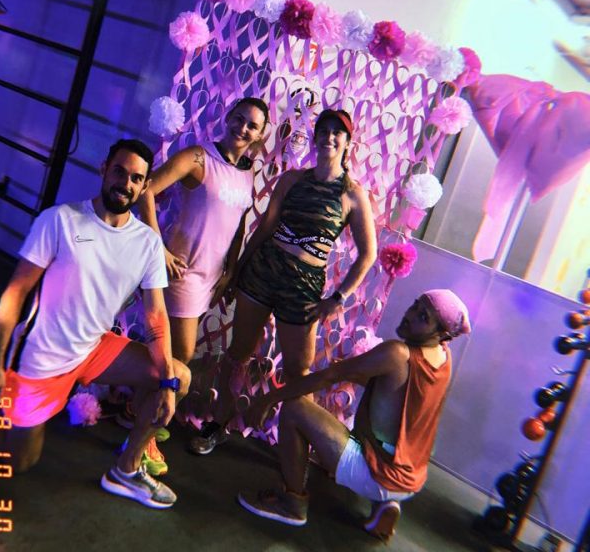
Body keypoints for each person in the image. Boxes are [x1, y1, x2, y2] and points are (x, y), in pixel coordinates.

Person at [0, 139, 190, 509]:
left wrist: (168, 386)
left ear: (145, 186)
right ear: (104, 169)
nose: (125, 183)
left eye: (136, 179)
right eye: (119, 172)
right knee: (17, 462)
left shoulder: (146, 243)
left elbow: (157, 319)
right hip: (42, 357)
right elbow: (15, 293)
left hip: (94, 348)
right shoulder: (60, 220)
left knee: (178, 375)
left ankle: (126, 470)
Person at [190, 108, 378, 454]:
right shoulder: (292, 179)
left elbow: (368, 255)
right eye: (324, 131)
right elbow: (266, 227)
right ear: (315, 137)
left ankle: (295, 448)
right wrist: (237, 270)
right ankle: (218, 424)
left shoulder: (353, 194)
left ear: (348, 143)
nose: (329, 137)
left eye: (337, 133)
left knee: (298, 371)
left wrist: (338, 298)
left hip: (303, 287)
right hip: (262, 272)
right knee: (237, 354)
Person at [237, 289, 471, 543]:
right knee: (355, 434)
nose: (410, 315)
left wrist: (268, 399)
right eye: (415, 305)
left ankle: (292, 504)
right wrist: (354, 371)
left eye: (423, 317)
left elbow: (328, 377)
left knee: (294, 407)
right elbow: (394, 392)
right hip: (410, 477)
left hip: (378, 471)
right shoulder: (443, 357)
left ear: (442, 334)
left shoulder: (398, 353)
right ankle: (385, 504)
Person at [138, 97, 269, 364]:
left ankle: (133, 390)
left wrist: (229, 272)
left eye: (252, 126)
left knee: (164, 355)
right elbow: (146, 191)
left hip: (211, 278)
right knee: (180, 355)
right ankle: (131, 386)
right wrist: (158, 248)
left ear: (259, 135)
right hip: (182, 271)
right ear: (228, 117)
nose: (243, 128)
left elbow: (238, 225)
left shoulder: (248, 173)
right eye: (239, 118)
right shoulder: (198, 157)